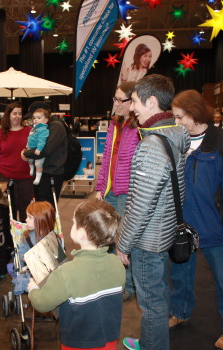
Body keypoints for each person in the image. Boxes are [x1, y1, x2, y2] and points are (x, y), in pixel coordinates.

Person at [169, 89, 223, 350]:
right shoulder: (177, 140)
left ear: (194, 114)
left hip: (217, 227)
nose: (176, 121)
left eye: (179, 116)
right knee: (180, 272)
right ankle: (181, 311)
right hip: (183, 225)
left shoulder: (222, 142)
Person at [116, 74, 189, 350]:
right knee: (156, 297)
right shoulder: (174, 134)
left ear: (152, 101)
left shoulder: (152, 145)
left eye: (134, 101)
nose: (132, 107)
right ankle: (149, 341)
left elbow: (140, 205)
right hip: (163, 231)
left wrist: (124, 243)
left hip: (148, 240)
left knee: (152, 304)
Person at [28, 200, 124, 350]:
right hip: (110, 339)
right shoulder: (117, 263)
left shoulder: (66, 273)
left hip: (78, 343)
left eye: (73, 222)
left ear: (81, 234)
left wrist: (33, 290)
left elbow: (41, 303)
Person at [94, 81, 140, 301]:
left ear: (133, 102)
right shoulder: (114, 123)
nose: (116, 103)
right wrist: (100, 187)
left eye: (120, 100)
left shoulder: (139, 127)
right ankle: (114, 281)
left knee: (125, 241)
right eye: (115, 99)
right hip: (111, 191)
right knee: (110, 238)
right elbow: (106, 159)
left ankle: (128, 286)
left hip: (127, 193)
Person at [0, 103, 33, 221]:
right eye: (14, 113)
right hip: (4, 176)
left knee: (26, 208)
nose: (17, 116)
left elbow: (35, 149)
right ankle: (9, 237)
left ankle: (25, 237)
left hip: (25, 176)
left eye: (19, 114)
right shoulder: (0, 133)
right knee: (8, 209)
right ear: (8, 115)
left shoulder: (29, 131)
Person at [23, 101, 68, 207]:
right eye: (34, 118)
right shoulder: (44, 127)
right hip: (44, 173)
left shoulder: (56, 126)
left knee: (47, 208)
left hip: (51, 173)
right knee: (41, 208)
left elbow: (46, 149)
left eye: (38, 117)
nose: (34, 120)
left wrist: (27, 153)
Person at [26, 108, 50, 185]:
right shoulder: (34, 128)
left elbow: (42, 140)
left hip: (37, 149)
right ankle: (31, 168)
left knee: (38, 164)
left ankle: (38, 178)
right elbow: (29, 137)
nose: (36, 119)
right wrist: (27, 144)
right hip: (30, 148)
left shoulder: (43, 129)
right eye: (34, 118)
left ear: (45, 120)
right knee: (29, 159)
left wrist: (39, 149)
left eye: (39, 118)